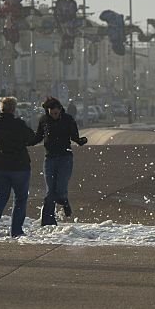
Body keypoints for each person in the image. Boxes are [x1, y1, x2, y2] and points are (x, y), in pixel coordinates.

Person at [0, 96, 38, 240]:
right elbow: (31, 139)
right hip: (19, 166)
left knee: (0, 197)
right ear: (13, 109)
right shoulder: (19, 124)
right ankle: (16, 231)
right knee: (20, 198)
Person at [35, 96, 88, 226]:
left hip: (65, 158)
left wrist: (81, 141)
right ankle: (48, 223)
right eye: (51, 112)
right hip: (50, 158)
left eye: (56, 112)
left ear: (60, 109)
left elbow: (74, 136)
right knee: (50, 192)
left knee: (60, 188)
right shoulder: (44, 121)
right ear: (47, 111)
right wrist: (25, 141)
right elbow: (38, 137)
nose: (54, 115)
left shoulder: (68, 120)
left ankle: (64, 201)